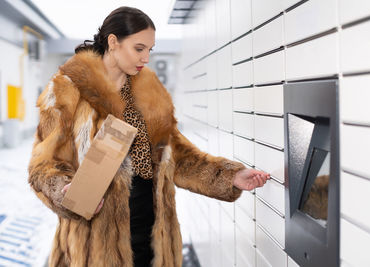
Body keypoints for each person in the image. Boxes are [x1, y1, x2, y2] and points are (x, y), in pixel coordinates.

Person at [28, 6, 270, 267]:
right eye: (139, 48)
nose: (145, 58)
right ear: (113, 42)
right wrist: (63, 192)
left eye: (149, 50)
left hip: (153, 235)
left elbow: (177, 153)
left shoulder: (149, 91)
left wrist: (230, 176)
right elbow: (41, 167)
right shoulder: (67, 92)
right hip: (95, 243)